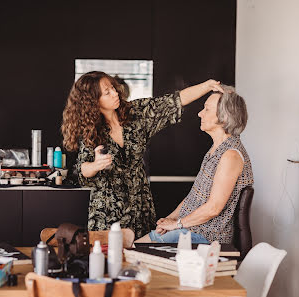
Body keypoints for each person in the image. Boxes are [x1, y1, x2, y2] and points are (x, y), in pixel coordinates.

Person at [61, 71, 223, 238]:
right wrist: (95, 165)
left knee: (142, 256)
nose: (115, 93)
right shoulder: (90, 129)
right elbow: (82, 170)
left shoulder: (135, 113)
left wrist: (207, 86)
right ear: (93, 101)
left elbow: (173, 102)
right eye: (107, 92)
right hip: (107, 211)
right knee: (109, 258)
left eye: (113, 88)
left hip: (140, 203)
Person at [136, 85, 254, 244]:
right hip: (191, 228)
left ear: (224, 117)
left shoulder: (230, 155)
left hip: (208, 236)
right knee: (135, 247)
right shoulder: (215, 149)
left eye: (206, 109)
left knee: (136, 248)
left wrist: (177, 224)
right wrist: (171, 219)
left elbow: (213, 208)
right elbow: (193, 197)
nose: (200, 113)